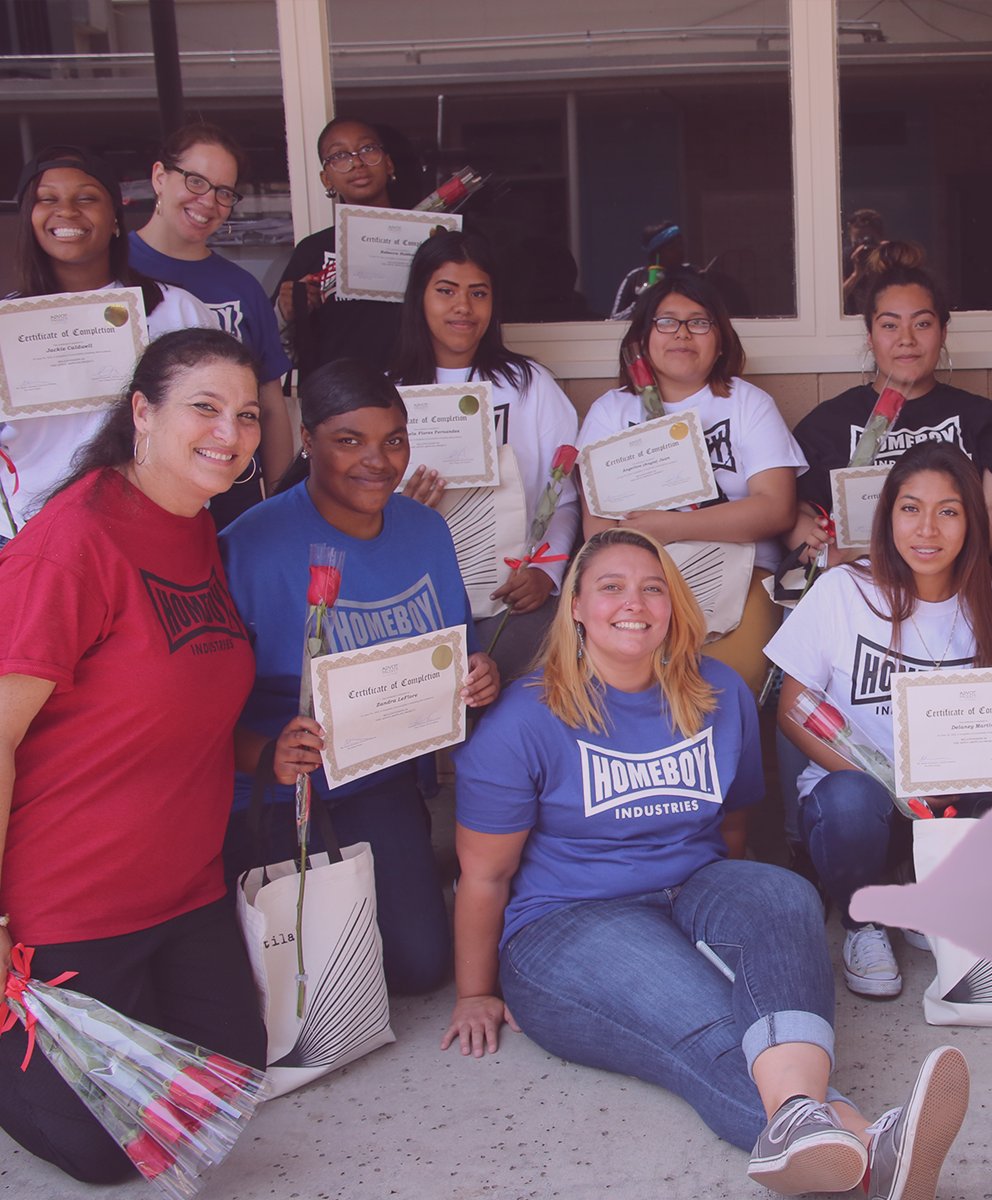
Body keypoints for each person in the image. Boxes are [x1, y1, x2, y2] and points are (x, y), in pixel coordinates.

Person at [444, 527, 971, 1198]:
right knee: (711, 1017)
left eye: (652, 587)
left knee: (784, 897)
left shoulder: (718, 692)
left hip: (691, 887)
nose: (633, 603)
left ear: (674, 604)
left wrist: (736, 925)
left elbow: (732, 824)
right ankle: (864, 1143)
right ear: (575, 605)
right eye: (610, 587)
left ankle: (818, 1136)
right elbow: (484, 874)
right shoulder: (526, 718)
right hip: (569, 920)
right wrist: (475, 991)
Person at [0, 328, 267, 1183]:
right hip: (69, 900)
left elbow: (179, 699)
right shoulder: (69, 545)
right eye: (205, 407)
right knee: (107, 1151)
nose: (230, 432)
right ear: (141, 414)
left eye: (249, 415)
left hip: (184, 886)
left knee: (228, 1080)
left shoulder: (193, 519)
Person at [220, 358, 500, 995]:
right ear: (308, 436)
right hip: (271, 790)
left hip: (380, 779)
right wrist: (265, 754)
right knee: (292, 978)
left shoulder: (425, 530)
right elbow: (195, 712)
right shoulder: (249, 548)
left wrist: (480, 675)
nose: (377, 460)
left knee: (421, 966)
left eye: (393, 440)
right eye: (350, 441)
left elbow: (459, 646)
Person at [767, 442, 992, 1000]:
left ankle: (924, 896)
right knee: (849, 800)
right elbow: (793, 706)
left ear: (972, 523)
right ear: (888, 517)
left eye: (949, 511)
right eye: (911, 508)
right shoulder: (846, 591)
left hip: (947, 810)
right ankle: (864, 924)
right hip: (858, 810)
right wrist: (884, 783)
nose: (927, 529)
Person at [578, 271, 803, 694]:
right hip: (639, 577)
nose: (682, 333)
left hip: (741, 571)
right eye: (666, 322)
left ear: (720, 340)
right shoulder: (612, 411)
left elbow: (775, 508)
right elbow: (600, 529)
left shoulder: (746, 403)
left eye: (699, 322)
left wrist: (671, 526)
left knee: (723, 686)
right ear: (643, 338)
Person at [391, 230, 580, 683]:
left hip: (514, 596)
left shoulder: (530, 385)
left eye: (479, 293)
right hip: (415, 594)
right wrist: (402, 514)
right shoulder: (387, 390)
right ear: (419, 297)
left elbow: (567, 499)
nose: (463, 307)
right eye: (446, 291)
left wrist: (545, 575)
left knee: (513, 690)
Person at [1, 144, 218, 534]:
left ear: (115, 218)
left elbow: (215, 416)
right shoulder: (4, 324)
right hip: (30, 531)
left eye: (86, 198)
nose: (67, 211)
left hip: (155, 523)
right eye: (47, 199)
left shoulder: (178, 312)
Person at [787, 242, 992, 571]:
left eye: (922, 324)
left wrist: (936, 566)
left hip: (953, 580)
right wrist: (817, 546)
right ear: (870, 335)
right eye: (890, 325)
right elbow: (796, 512)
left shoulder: (981, 418)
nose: (906, 339)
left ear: (943, 332)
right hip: (857, 585)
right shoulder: (827, 423)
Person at [129, 121, 293, 524]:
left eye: (224, 192)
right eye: (196, 181)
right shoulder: (113, 270)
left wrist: (279, 503)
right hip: (137, 491)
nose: (209, 201)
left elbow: (270, 408)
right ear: (160, 178)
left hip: (229, 492)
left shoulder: (241, 287)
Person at [276, 116, 419, 382]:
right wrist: (285, 311)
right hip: (337, 398)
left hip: (417, 392)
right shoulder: (313, 250)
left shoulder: (424, 237)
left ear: (388, 164)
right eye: (339, 155)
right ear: (326, 179)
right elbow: (274, 347)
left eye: (367, 149)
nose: (357, 162)